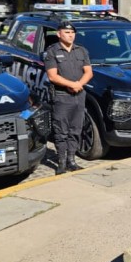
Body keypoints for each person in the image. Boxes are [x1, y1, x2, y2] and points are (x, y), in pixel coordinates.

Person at [44, 20, 93, 174]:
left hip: (79, 96)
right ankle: (61, 163)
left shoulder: (81, 50)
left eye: (72, 33)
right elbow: (52, 76)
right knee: (61, 131)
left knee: (76, 130)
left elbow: (89, 72)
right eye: (67, 32)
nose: (70, 35)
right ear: (59, 34)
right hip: (61, 96)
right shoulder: (52, 51)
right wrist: (72, 85)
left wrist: (79, 84)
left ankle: (72, 161)